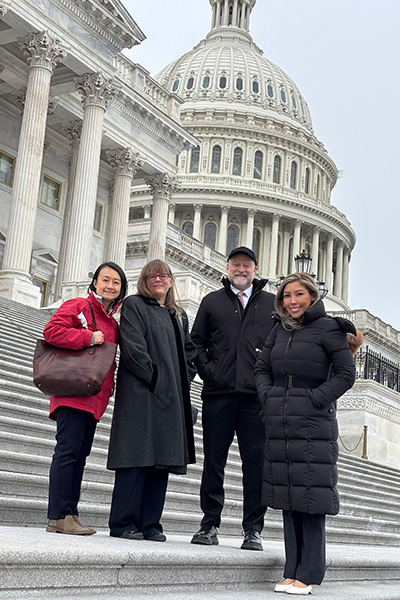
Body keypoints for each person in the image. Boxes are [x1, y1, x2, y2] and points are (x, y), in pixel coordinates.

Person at [254, 272, 362, 595]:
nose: (292, 301)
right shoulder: (279, 329)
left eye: (299, 294)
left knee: (310, 498)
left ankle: (309, 572)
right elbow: (262, 368)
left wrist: (315, 398)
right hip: (282, 421)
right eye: (287, 296)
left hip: (314, 422)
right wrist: (268, 396)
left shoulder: (329, 328)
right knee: (289, 496)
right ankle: (291, 570)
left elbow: (346, 374)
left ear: (312, 297)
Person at [190, 246, 275, 550]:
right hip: (218, 393)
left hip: (256, 399)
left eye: (247, 265)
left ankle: (253, 529)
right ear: (227, 268)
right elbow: (195, 342)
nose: (241, 269)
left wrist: (267, 382)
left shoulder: (271, 304)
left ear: (255, 269)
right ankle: (209, 524)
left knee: (256, 466)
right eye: (236, 264)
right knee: (214, 463)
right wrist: (210, 372)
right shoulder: (211, 301)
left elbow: (279, 347)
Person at [107, 259, 197, 542]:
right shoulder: (134, 305)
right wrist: (158, 377)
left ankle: (151, 523)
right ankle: (123, 522)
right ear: (145, 280)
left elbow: (190, 352)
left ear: (171, 281)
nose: (158, 279)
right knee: (135, 457)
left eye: (164, 275)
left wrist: (182, 378)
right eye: (152, 275)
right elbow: (132, 348)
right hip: (141, 392)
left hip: (170, 397)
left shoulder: (178, 315)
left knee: (162, 460)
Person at [44, 261, 127, 535]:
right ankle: (58, 515)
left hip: (93, 397)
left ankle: (69, 512)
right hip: (72, 391)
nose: (110, 285)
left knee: (79, 456)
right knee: (67, 453)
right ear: (95, 283)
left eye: (116, 282)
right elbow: (52, 331)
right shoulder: (79, 305)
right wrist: (88, 337)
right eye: (105, 280)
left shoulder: (113, 323)